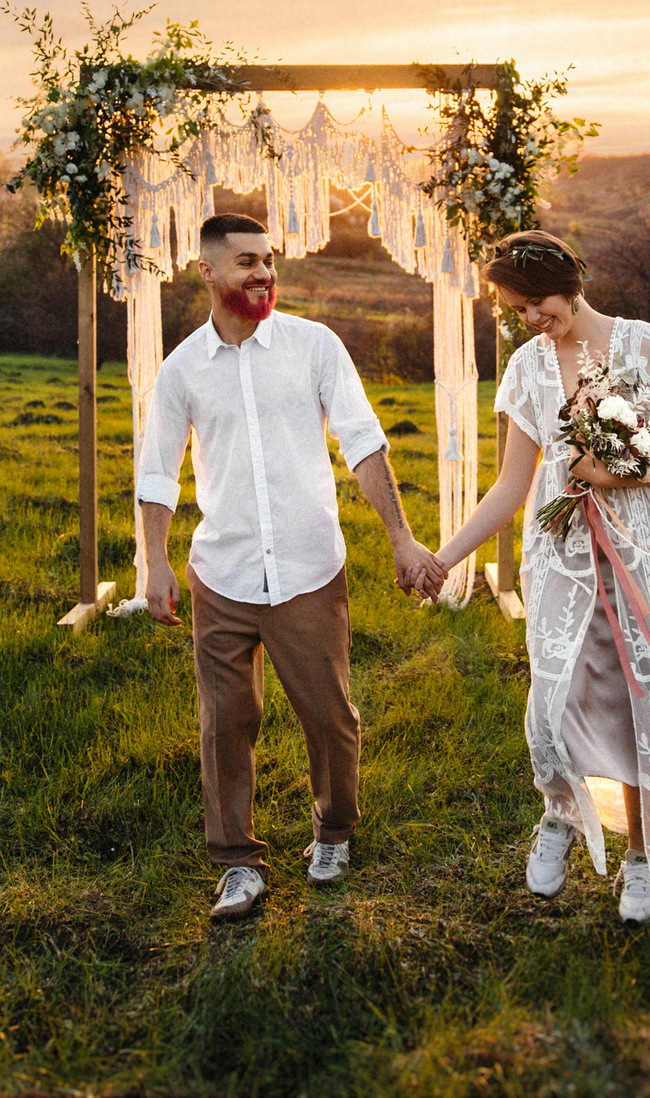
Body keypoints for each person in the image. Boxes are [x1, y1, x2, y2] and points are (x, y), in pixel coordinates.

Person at [138, 212, 448, 920]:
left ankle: (333, 830)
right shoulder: (182, 368)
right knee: (225, 721)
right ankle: (238, 862)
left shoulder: (315, 346)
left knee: (329, 715)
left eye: (268, 260)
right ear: (207, 273)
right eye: (246, 261)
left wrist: (401, 537)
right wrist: (152, 562)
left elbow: (364, 443)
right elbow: (157, 474)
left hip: (309, 569)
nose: (263, 273)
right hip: (223, 573)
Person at [431, 230, 650, 923]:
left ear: (569, 281)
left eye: (536, 302)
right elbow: (512, 486)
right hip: (565, 557)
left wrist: (606, 469)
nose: (532, 319)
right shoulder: (527, 369)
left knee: (647, 709)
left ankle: (642, 858)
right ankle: (558, 813)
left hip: (645, 552)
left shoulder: (645, 346)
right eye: (518, 312)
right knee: (555, 699)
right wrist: (445, 559)